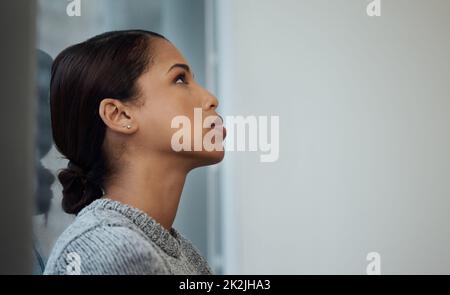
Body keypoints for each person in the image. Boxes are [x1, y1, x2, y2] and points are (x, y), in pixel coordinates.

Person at [44, 30, 226, 275]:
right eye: (180, 79)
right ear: (120, 115)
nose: (211, 99)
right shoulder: (112, 251)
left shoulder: (179, 252)